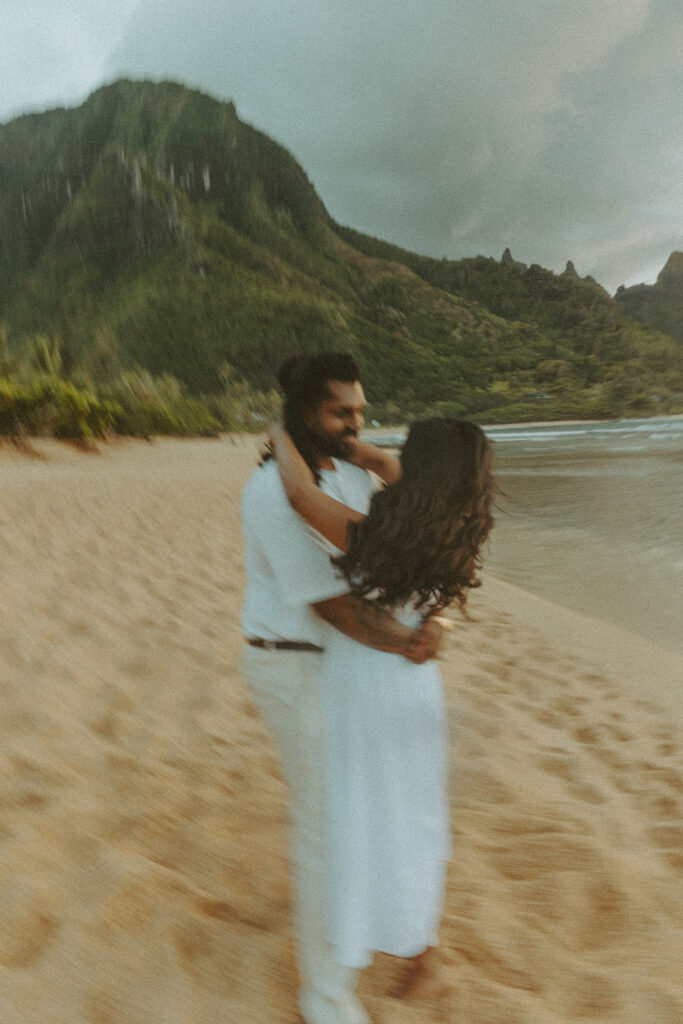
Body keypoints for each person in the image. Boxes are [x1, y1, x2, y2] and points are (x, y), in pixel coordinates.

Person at [240, 353, 442, 1024]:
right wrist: (410, 642)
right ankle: (324, 997)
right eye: (341, 412)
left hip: (347, 665)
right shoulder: (270, 492)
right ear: (305, 413)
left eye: (360, 410)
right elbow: (336, 608)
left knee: (365, 810)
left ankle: (373, 932)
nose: (356, 422)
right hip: (293, 664)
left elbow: (411, 528)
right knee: (324, 827)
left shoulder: (350, 475)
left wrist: (432, 621)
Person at [269, 415, 495, 998]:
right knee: (414, 818)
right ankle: (422, 950)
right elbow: (383, 465)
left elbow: (299, 494)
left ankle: (374, 936)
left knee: (366, 813)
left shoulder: (376, 534)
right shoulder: (456, 529)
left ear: (420, 466)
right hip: (415, 685)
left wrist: (282, 428)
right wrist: (361, 451)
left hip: (364, 681)